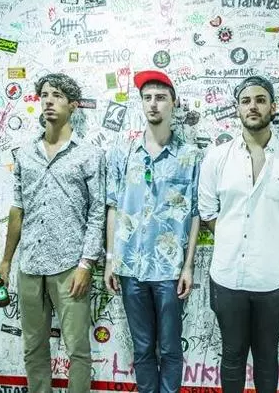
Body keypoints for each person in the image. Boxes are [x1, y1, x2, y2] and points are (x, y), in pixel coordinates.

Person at [198, 76, 279, 393]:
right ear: (237, 108)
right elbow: (208, 212)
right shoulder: (217, 157)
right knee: (232, 355)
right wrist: (232, 238)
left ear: (273, 107)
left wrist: (271, 243)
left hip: (273, 280)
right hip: (227, 277)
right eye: (246, 100)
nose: (253, 106)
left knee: (266, 357)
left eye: (261, 100)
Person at [0, 73, 106, 393]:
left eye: (57, 95)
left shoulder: (89, 154)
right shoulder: (25, 154)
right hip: (29, 266)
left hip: (70, 267)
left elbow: (97, 212)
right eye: (44, 95)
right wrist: (6, 261)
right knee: (33, 347)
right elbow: (17, 209)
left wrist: (86, 264)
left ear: (73, 105)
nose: (48, 101)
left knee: (78, 349)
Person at [104, 70, 201, 393]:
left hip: (169, 270)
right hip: (130, 267)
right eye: (147, 98)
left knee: (171, 347)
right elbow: (113, 207)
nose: (153, 104)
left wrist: (188, 266)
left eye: (160, 97)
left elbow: (195, 214)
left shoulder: (190, 156)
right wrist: (110, 260)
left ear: (174, 103)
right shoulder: (123, 153)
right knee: (143, 348)